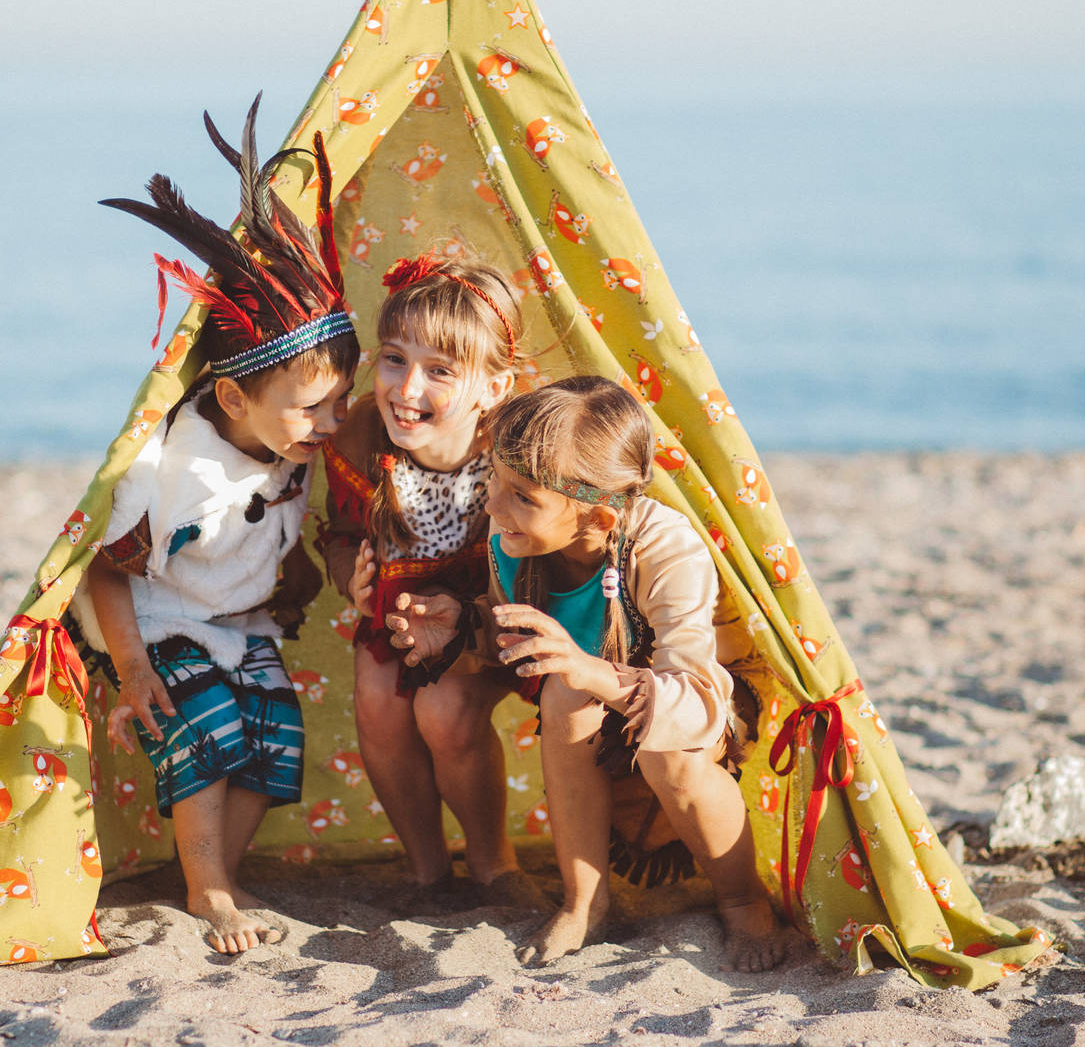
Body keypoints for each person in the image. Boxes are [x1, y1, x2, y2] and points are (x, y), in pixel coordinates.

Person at [68, 100, 358, 954]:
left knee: (275, 735)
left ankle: (204, 872)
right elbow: (106, 567)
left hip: (241, 618)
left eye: (338, 401)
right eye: (315, 406)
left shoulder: (287, 434)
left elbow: (279, 522)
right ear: (233, 397)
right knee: (205, 724)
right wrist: (129, 668)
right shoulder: (176, 473)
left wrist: (298, 573)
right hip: (158, 622)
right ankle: (209, 888)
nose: (331, 422)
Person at [386, 377, 793, 971]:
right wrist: (461, 631)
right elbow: (519, 646)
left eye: (521, 495)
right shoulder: (514, 539)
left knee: (665, 755)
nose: (492, 505)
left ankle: (741, 900)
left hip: (709, 696)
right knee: (563, 696)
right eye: (493, 480)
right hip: (594, 691)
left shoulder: (664, 548)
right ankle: (584, 903)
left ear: (598, 516)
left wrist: (588, 670)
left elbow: (699, 700)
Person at [315, 254, 545, 912]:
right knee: (380, 704)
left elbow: (552, 561)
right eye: (394, 359)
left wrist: (467, 617)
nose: (406, 387)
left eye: (440, 370)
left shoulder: (517, 447)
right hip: (398, 613)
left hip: (496, 614)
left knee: (443, 710)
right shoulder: (361, 435)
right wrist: (348, 577)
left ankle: (491, 862)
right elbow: (339, 531)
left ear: (492, 387)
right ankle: (426, 869)